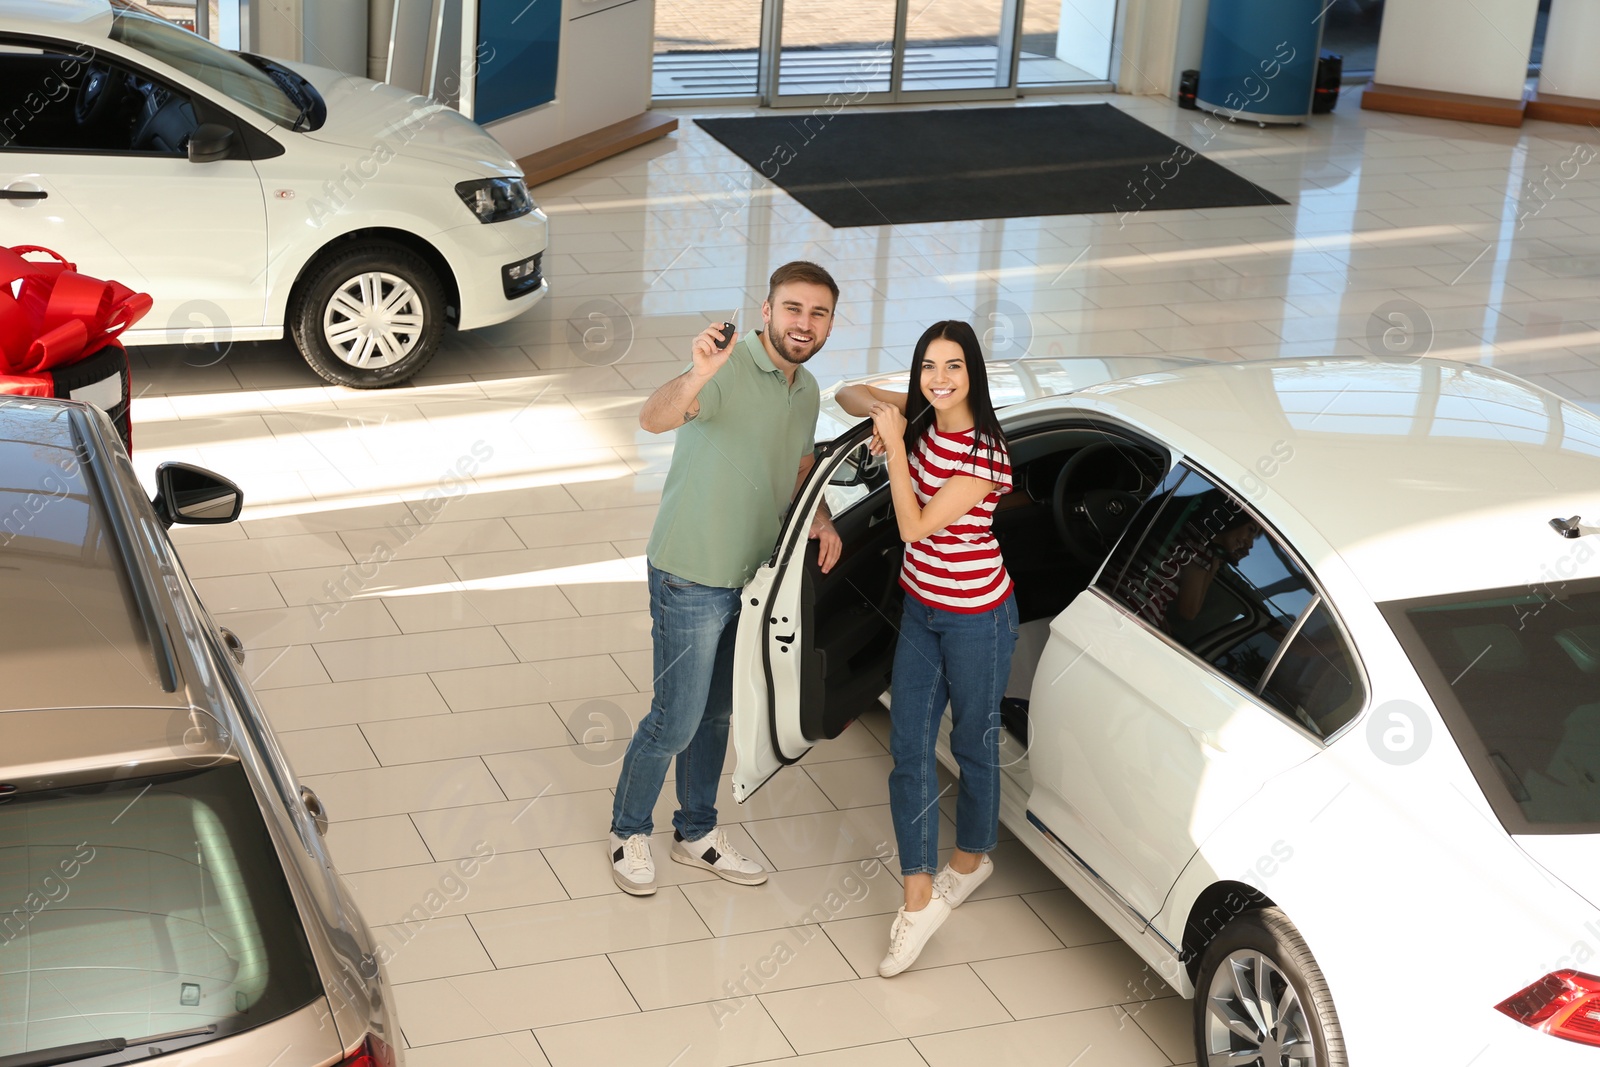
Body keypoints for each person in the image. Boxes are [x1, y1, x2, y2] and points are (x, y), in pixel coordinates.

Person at [608, 261, 844, 896]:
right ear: (766, 312)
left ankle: (695, 831)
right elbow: (652, 419)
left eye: (818, 313)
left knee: (718, 715)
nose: (804, 323)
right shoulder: (727, 366)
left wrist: (820, 518)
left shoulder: (809, 389)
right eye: (793, 309)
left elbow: (797, 466)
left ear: (829, 323)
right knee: (676, 719)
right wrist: (698, 372)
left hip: (751, 579)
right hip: (690, 572)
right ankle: (628, 829)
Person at [835, 319, 1017, 976]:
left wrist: (896, 446)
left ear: (975, 375)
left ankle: (970, 858)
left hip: (978, 616)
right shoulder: (924, 413)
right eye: (928, 367)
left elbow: (912, 527)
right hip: (922, 608)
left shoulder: (985, 455)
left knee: (972, 743)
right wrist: (886, 413)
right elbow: (846, 393)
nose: (939, 380)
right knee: (908, 747)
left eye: (954, 368)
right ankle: (917, 900)